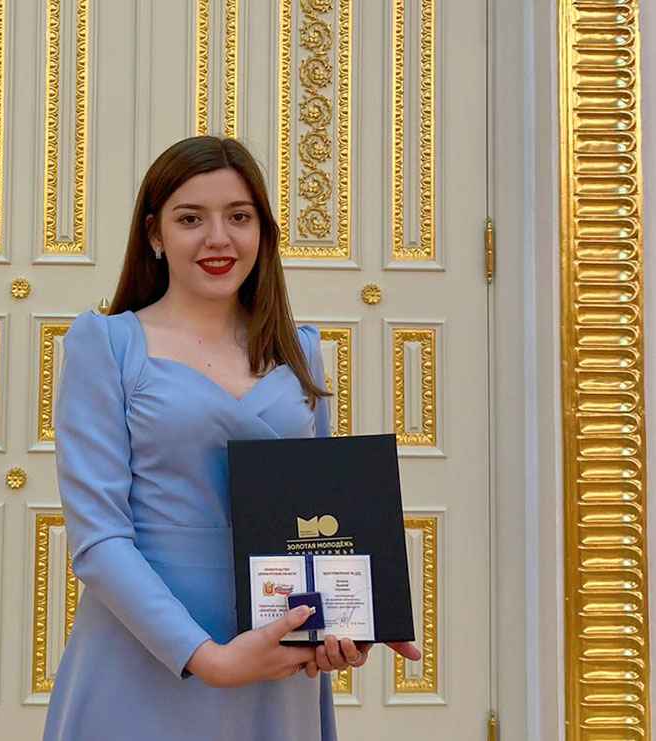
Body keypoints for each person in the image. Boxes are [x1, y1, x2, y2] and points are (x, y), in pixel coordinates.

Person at [43, 136, 420, 740]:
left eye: (239, 217)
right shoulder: (106, 345)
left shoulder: (300, 351)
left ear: (263, 232)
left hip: (274, 655)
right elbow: (99, 539)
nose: (218, 238)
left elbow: (324, 514)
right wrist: (210, 659)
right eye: (191, 218)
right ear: (155, 234)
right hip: (146, 656)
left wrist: (356, 617)